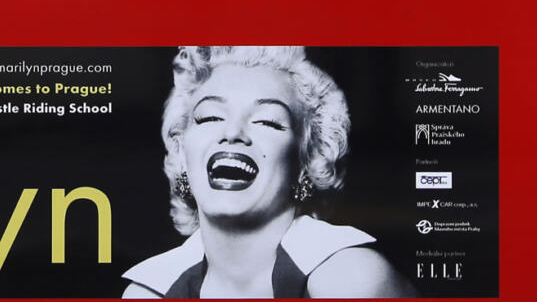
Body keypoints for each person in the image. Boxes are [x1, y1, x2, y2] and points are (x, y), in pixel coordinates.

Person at [122, 46, 414, 299]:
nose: (233, 132)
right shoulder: (150, 292)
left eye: (268, 122)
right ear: (182, 154)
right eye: (210, 116)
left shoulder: (348, 280)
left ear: (306, 164)